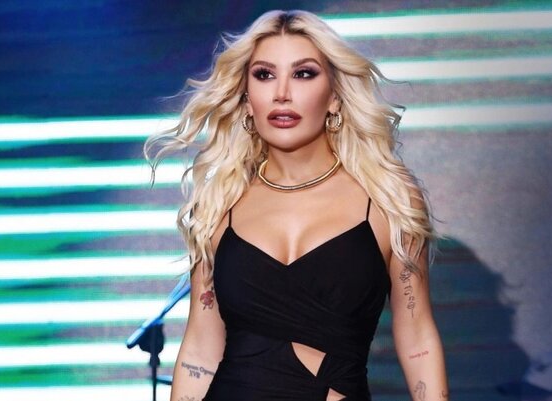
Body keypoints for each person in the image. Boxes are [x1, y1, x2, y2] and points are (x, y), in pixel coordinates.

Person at [145, 9, 448, 401]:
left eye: (303, 73)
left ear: (335, 96)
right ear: (246, 98)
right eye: (264, 75)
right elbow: (200, 350)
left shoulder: (388, 197)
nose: (282, 93)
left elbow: (418, 338)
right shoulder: (220, 202)